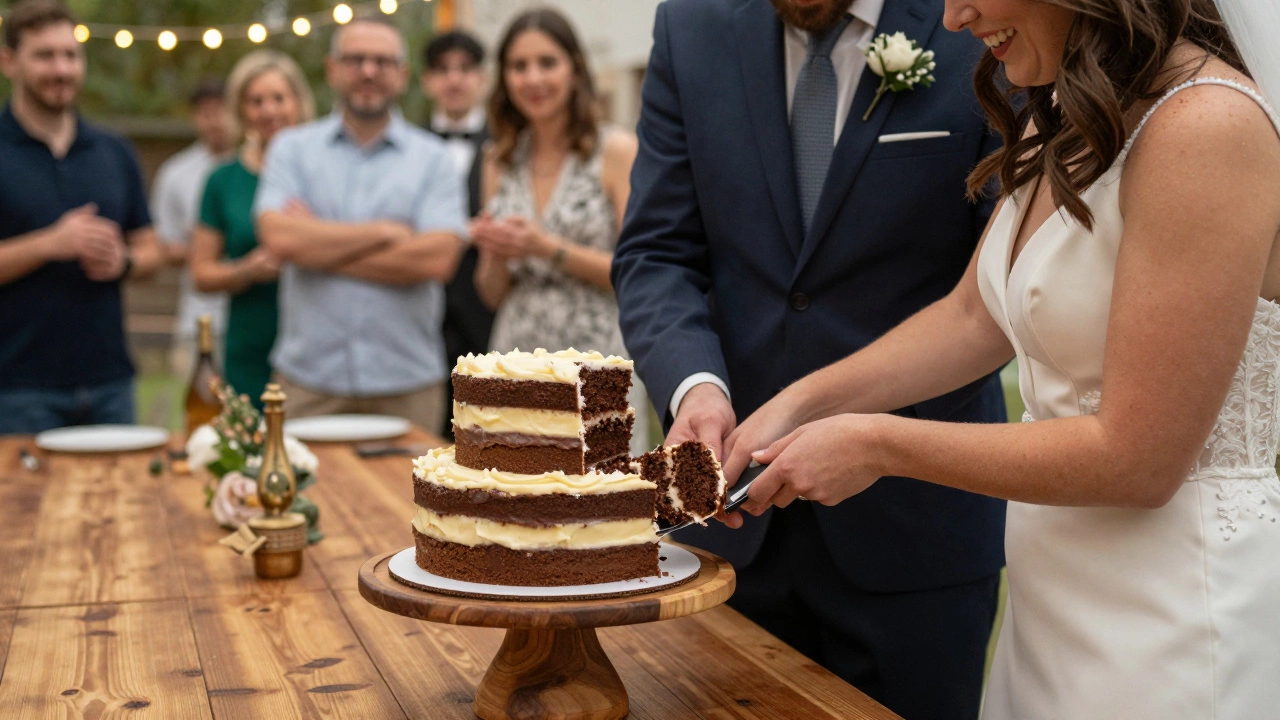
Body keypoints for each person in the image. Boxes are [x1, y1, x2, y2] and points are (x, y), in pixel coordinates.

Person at [722, 0, 1280, 716]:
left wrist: (877, 443)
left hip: (1172, 609)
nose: (954, 18)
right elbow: (972, 317)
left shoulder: (1206, 126)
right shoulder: (1063, 114)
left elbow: (1138, 458)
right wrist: (802, 402)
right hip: (1053, 601)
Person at [612, 0, 1006, 716]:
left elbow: (998, 292)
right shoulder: (690, 27)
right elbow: (656, 252)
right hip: (727, 534)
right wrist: (695, 388)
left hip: (916, 530)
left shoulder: (975, 20)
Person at [254, 17, 466, 432]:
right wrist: (384, 233)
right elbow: (277, 237)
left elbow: (438, 260)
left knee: (408, 500)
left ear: (403, 76)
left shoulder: (435, 158)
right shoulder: (291, 150)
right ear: (332, 69)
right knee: (298, 497)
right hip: (308, 382)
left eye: (382, 61)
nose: (369, 71)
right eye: (355, 60)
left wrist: (315, 242)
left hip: (407, 384)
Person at [472, 8, 651, 455]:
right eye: (519, 66)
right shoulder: (499, 159)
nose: (533, 79)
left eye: (547, 63)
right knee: (515, 506)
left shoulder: (616, 151)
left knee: (601, 508)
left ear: (575, 69)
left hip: (596, 360)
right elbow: (491, 293)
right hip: (516, 362)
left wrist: (546, 248)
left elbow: (639, 274)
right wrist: (495, 250)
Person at [0, 0, 163, 434]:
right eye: (45, 55)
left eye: (71, 55)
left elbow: (150, 250)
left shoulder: (114, 152)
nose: (62, 69)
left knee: (122, 503)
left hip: (111, 383)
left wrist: (123, 263)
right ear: (8, 61)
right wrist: (48, 244)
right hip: (16, 389)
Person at [189, 51, 314, 408]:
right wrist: (247, 269)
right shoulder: (223, 180)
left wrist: (310, 236)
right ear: (241, 110)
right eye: (256, 101)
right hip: (251, 342)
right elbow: (200, 272)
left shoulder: (322, 174)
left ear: (298, 102)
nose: (269, 110)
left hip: (316, 346)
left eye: (278, 98)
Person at [422, 30, 495, 438]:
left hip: (486, 311)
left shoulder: (505, 144)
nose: (454, 80)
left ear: (481, 79)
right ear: (426, 81)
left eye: (465, 70)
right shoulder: (406, 146)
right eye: (443, 70)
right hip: (420, 313)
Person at [150, 78, 233, 376]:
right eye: (206, 112)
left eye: (222, 110)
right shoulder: (176, 173)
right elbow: (162, 245)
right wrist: (206, 246)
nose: (216, 121)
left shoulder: (261, 165)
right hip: (198, 316)